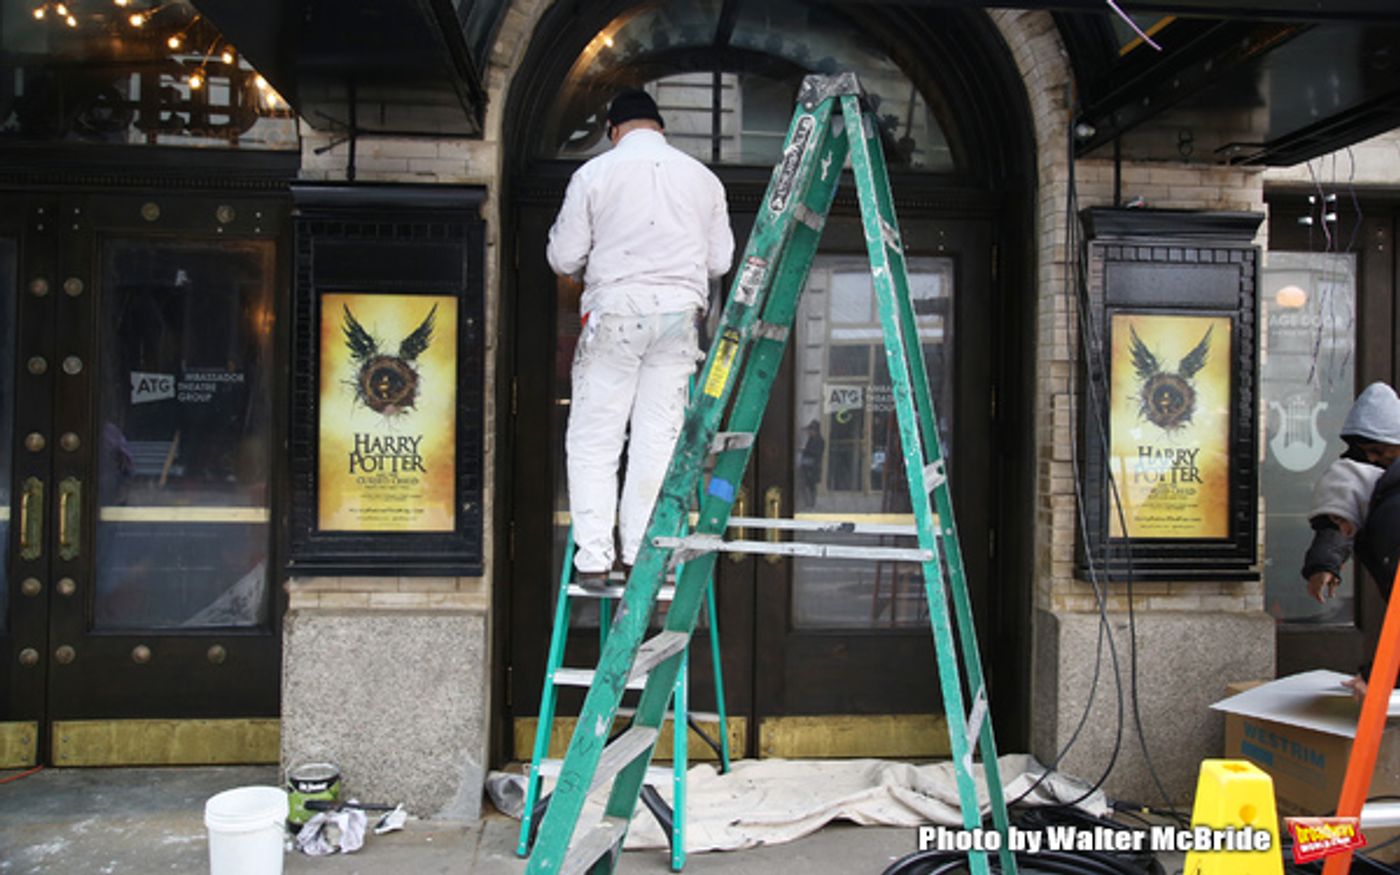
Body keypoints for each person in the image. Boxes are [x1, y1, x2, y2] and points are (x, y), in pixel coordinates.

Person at [547, 88, 735, 587]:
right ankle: (640, 554)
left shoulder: (595, 174)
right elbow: (719, 263)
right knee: (659, 441)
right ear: (660, 127)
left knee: (595, 439)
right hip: (677, 317)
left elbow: (565, 258)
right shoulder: (703, 179)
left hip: (617, 311)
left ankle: (592, 559)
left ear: (613, 129)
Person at [1301, 381, 1400, 697]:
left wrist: (1379, 677)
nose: (1345, 531)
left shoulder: (1389, 510)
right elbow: (1340, 510)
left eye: (1380, 451)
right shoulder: (1367, 481)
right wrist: (1324, 562)